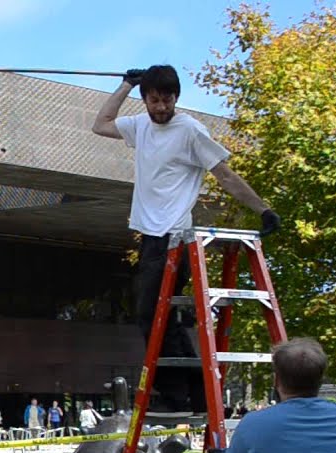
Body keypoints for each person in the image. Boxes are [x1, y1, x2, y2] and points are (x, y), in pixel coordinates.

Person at [92, 65, 280, 413]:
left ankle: (178, 395)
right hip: (151, 236)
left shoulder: (190, 130)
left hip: (175, 236)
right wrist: (125, 85)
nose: (161, 107)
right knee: (159, 317)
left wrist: (263, 209)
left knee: (152, 316)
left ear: (176, 98)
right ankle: (197, 395)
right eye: (154, 100)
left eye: (167, 100)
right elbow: (100, 125)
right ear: (145, 99)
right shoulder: (140, 125)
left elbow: (224, 174)